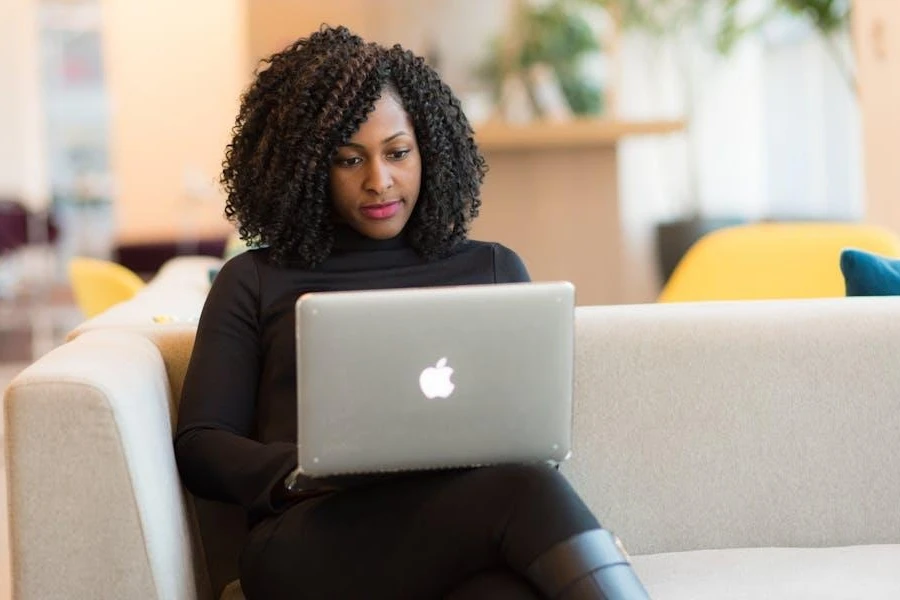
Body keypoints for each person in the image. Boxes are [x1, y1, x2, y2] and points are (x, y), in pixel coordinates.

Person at [175, 24, 651, 600]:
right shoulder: (253, 279)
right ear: (306, 169)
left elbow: (522, 427)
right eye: (349, 160)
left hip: (467, 527)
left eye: (397, 153)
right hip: (313, 539)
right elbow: (201, 443)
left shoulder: (494, 269)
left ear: (430, 149)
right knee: (524, 494)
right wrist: (302, 469)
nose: (379, 181)